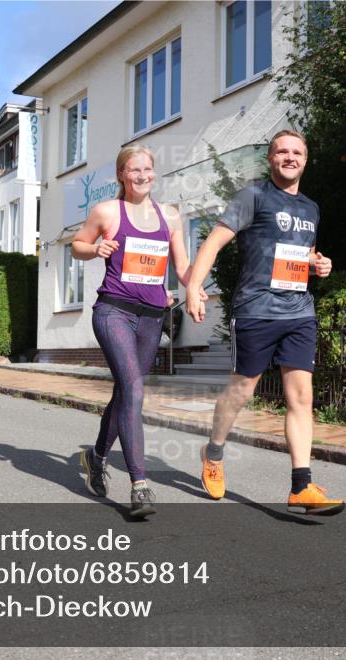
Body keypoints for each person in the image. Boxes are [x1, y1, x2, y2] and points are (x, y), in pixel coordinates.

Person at [185, 130, 344, 515]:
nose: (290, 157)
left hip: (299, 312)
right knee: (242, 392)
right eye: (282, 152)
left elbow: (298, 255)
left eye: (297, 152)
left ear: (306, 160)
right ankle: (214, 451)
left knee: (301, 397)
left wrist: (318, 263)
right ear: (271, 159)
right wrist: (192, 286)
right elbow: (213, 242)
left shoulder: (310, 208)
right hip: (256, 310)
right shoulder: (252, 197)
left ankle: (300, 486)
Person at [71, 144, 203, 518]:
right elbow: (77, 244)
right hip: (113, 311)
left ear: (154, 173)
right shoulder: (108, 211)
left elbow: (182, 267)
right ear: (121, 176)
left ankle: (96, 457)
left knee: (126, 392)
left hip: (150, 317)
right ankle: (140, 485)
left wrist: (193, 287)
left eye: (147, 169)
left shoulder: (171, 216)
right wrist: (95, 249)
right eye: (134, 170)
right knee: (134, 389)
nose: (142, 176)